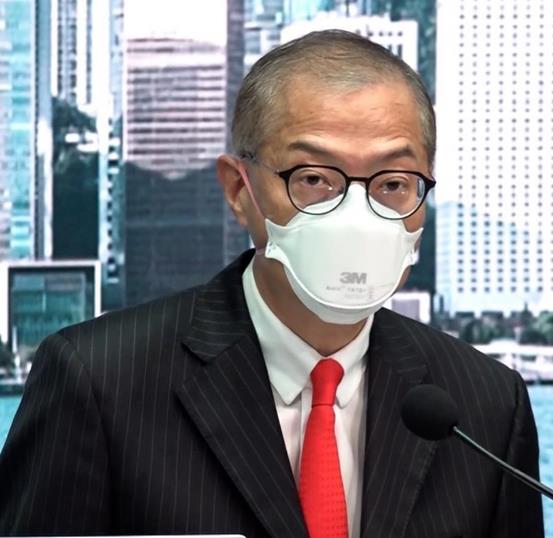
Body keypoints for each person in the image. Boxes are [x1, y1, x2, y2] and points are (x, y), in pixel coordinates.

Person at [0, 30, 544, 538]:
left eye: (393, 183)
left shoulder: (486, 406)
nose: (357, 215)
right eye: (314, 179)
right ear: (240, 191)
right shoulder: (99, 382)